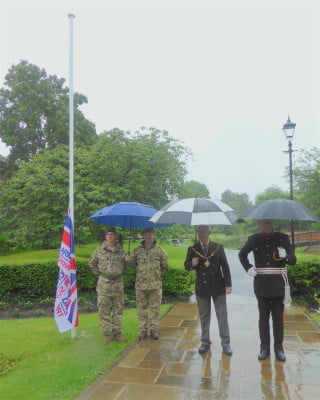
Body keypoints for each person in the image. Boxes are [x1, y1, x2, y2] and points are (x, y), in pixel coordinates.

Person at [238, 219, 296, 362]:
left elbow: (293, 260)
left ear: (272, 223)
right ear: (260, 224)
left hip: (278, 285)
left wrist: (286, 256)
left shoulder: (282, 238)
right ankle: (264, 348)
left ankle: (279, 348)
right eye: (264, 223)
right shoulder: (254, 239)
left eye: (269, 222)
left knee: (278, 319)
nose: (266, 225)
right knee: (263, 318)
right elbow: (242, 254)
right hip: (262, 285)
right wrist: (248, 267)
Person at [184, 225, 233, 355]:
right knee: (204, 316)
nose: (202, 234)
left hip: (218, 286)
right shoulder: (193, 249)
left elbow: (225, 266)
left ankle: (226, 343)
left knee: (222, 316)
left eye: (204, 232)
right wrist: (192, 264)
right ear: (198, 234)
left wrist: (228, 284)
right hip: (202, 287)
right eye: (200, 232)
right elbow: (186, 267)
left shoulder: (218, 247)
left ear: (209, 233)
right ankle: (205, 342)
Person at [89, 227, 130, 344]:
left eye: (112, 234)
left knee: (118, 310)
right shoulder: (99, 250)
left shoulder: (121, 251)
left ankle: (117, 333)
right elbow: (92, 264)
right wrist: (102, 276)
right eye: (108, 234)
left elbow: (128, 267)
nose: (110, 236)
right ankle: (107, 334)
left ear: (116, 237)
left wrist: (128, 260)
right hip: (104, 285)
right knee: (104, 310)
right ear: (105, 236)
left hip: (118, 284)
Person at [130, 227, 168, 340]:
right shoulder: (137, 250)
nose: (148, 236)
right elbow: (131, 265)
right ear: (143, 236)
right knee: (141, 308)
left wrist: (156, 275)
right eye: (146, 234)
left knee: (155, 308)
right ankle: (143, 330)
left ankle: (154, 330)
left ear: (153, 236)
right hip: (141, 285)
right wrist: (128, 260)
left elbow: (165, 266)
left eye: (150, 234)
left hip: (155, 285)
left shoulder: (160, 250)